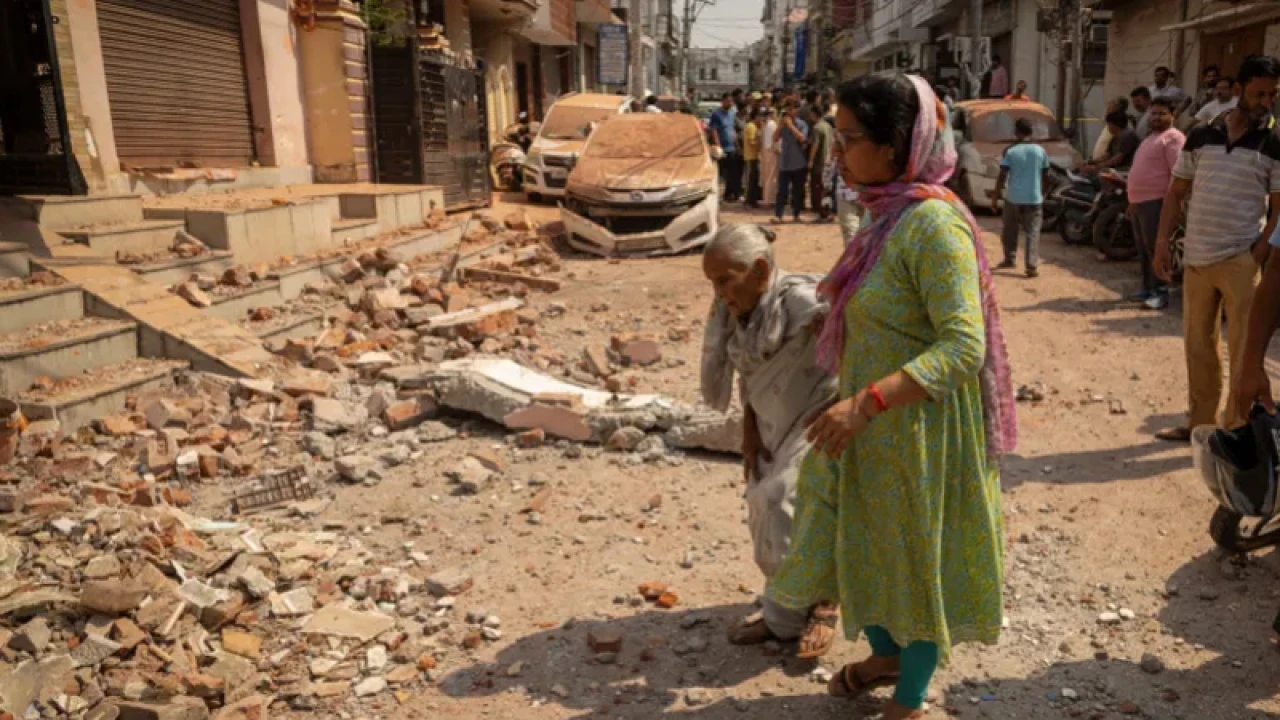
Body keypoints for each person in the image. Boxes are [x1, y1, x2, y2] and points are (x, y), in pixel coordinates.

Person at [767, 74, 1014, 720]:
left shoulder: (934, 226)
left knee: (913, 558)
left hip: (916, 432)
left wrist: (868, 400)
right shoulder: (886, 215)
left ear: (897, 144)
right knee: (862, 546)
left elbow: (965, 347)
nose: (838, 153)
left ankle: (910, 698)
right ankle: (886, 655)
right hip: (868, 426)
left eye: (849, 140)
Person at [701, 224, 841, 659]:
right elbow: (748, 372)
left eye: (726, 279)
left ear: (760, 271)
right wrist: (748, 428)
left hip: (814, 418)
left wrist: (849, 409)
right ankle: (782, 615)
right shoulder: (736, 312)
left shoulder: (798, 300)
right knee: (762, 508)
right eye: (713, 282)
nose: (720, 292)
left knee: (786, 501)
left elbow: (846, 336)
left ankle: (825, 602)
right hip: (768, 423)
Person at [1154, 54, 1280, 442]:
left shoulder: (1274, 142)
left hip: (1241, 260)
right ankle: (1200, 425)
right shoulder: (1201, 134)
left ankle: (1235, 429)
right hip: (1197, 258)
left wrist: (1257, 253)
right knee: (1199, 347)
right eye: (1259, 94)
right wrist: (1162, 243)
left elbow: (1279, 208)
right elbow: (1176, 193)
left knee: (1244, 349)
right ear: (1238, 91)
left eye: (1273, 95)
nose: (1266, 102)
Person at [1126, 97, 1185, 310]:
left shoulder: (1174, 138)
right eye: (1153, 113)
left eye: (1161, 113)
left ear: (1172, 115)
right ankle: (1147, 287)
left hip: (1157, 202)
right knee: (1143, 249)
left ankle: (1161, 292)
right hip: (1140, 202)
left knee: (1156, 248)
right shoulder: (1150, 138)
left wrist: (1173, 205)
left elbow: (1177, 174)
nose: (1156, 117)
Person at [992, 117, 1049, 278]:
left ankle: (1009, 259)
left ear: (1016, 132)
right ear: (1031, 132)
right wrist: (1042, 193)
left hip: (1013, 197)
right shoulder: (1040, 151)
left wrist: (996, 196)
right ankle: (1031, 265)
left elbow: (1002, 175)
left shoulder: (1010, 151)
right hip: (1034, 198)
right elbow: (1046, 175)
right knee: (1033, 232)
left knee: (1010, 230)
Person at [773, 100, 809, 223]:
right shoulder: (783, 124)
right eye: (787, 109)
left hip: (798, 162)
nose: (789, 111)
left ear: (796, 110)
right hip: (785, 162)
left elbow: (803, 139)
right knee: (782, 191)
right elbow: (775, 138)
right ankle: (778, 215)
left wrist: (791, 126)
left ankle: (796, 214)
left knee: (798, 191)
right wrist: (780, 126)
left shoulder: (802, 124)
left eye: (791, 109)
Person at [709, 93, 743, 202]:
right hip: (722, 148)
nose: (730, 103)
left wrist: (737, 145)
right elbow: (714, 130)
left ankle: (729, 195)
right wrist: (718, 146)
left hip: (731, 148)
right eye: (728, 101)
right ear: (722, 101)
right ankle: (717, 196)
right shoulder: (716, 114)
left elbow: (732, 130)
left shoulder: (732, 114)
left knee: (732, 173)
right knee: (720, 173)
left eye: (731, 101)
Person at [807, 105, 834, 222]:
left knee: (817, 188)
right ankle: (827, 213)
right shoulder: (828, 126)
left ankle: (820, 213)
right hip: (828, 162)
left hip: (819, 163)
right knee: (826, 189)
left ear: (814, 114)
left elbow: (815, 145)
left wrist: (810, 160)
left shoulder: (817, 128)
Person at [1092, 97, 1130, 162]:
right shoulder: (1110, 128)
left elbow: (1119, 156)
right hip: (1102, 163)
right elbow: (1107, 152)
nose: (1106, 111)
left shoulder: (1125, 131)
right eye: (1107, 109)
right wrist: (1092, 162)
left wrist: (1099, 166)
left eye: (1109, 109)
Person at [744, 108, 763, 208]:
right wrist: (760, 144)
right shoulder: (751, 127)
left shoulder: (754, 126)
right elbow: (751, 142)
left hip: (754, 156)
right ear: (756, 117)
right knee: (751, 179)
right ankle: (749, 200)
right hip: (751, 156)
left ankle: (752, 199)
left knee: (754, 179)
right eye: (760, 117)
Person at [761, 107, 780, 206]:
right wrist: (778, 150)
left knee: (767, 176)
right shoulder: (772, 124)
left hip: (766, 151)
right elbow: (774, 140)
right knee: (771, 176)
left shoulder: (766, 124)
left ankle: (767, 199)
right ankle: (769, 200)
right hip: (771, 151)